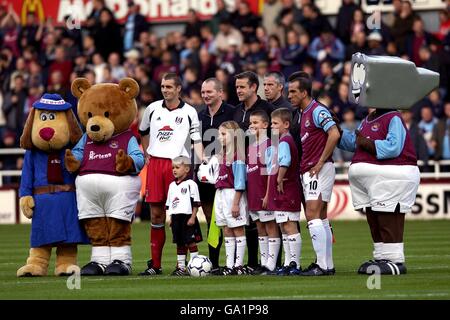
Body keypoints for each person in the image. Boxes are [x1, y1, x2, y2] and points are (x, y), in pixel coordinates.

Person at [138, 73, 204, 275]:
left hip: (179, 165)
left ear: (178, 89)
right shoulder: (152, 108)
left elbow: (196, 140)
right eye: (163, 86)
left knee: (180, 216)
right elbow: (143, 132)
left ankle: (181, 266)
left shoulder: (190, 112)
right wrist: (148, 154)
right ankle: (155, 266)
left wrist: (203, 161)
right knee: (156, 214)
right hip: (156, 165)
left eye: (169, 86)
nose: (165, 90)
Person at [288, 71, 340, 276]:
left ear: (304, 92)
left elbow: (334, 133)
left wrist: (319, 162)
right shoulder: (303, 113)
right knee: (321, 216)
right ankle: (326, 264)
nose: (289, 95)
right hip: (313, 169)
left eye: (293, 92)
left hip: (317, 169)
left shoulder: (317, 110)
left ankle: (322, 265)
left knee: (311, 214)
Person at [232, 71, 274, 272]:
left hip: (265, 172)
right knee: (253, 221)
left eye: (242, 87)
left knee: (271, 222)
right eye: (237, 87)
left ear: (253, 87)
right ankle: (254, 262)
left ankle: (275, 262)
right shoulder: (237, 111)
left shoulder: (267, 109)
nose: (238, 90)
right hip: (247, 171)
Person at [197, 78, 235, 274]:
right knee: (211, 217)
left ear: (220, 93)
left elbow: (238, 139)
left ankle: (236, 263)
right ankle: (214, 263)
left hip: (227, 172)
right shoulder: (199, 115)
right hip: (205, 174)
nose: (205, 95)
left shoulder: (231, 112)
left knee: (230, 218)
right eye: (203, 92)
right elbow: (195, 140)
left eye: (209, 92)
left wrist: (221, 158)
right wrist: (204, 160)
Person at [265, 108, 302, 275]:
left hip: (288, 187)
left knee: (289, 224)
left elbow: (285, 161)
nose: (272, 126)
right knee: (283, 226)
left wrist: (279, 179)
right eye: (271, 123)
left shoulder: (285, 141)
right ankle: (288, 262)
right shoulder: (281, 141)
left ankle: (295, 263)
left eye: (275, 123)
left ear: (286, 124)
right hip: (284, 190)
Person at [246, 110, 280, 274]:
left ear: (265, 125)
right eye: (251, 123)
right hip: (253, 195)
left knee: (270, 226)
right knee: (260, 228)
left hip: (264, 194)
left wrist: (268, 194)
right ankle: (264, 261)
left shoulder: (270, 145)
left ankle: (272, 264)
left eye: (256, 123)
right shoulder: (252, 146)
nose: (252, 126)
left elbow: (271, 173)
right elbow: (251, 172)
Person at [214, 121, 248, 275]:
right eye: (219, 134)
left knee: (237, 228)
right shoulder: (222, 154)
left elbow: (240, 182)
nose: (220, 138)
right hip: (221, 193)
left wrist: (235, 203)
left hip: (232, 194)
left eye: (223, 134)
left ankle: (238, 265)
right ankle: (229, 265)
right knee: (227, 229)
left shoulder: (237, 155)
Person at [166, 156, 203, 276]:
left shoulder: (191, 184)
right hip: (176, 218)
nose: (174, 170)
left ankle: (194, 265)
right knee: (180, 243)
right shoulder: (172, 185)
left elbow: (196, 203)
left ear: (186, 169)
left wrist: (193, 217)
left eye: (177, 167)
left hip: (188, 218)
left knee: (191, 242)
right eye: (173, 168)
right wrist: (170, 218)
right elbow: (170, 203)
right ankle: (181, 268)